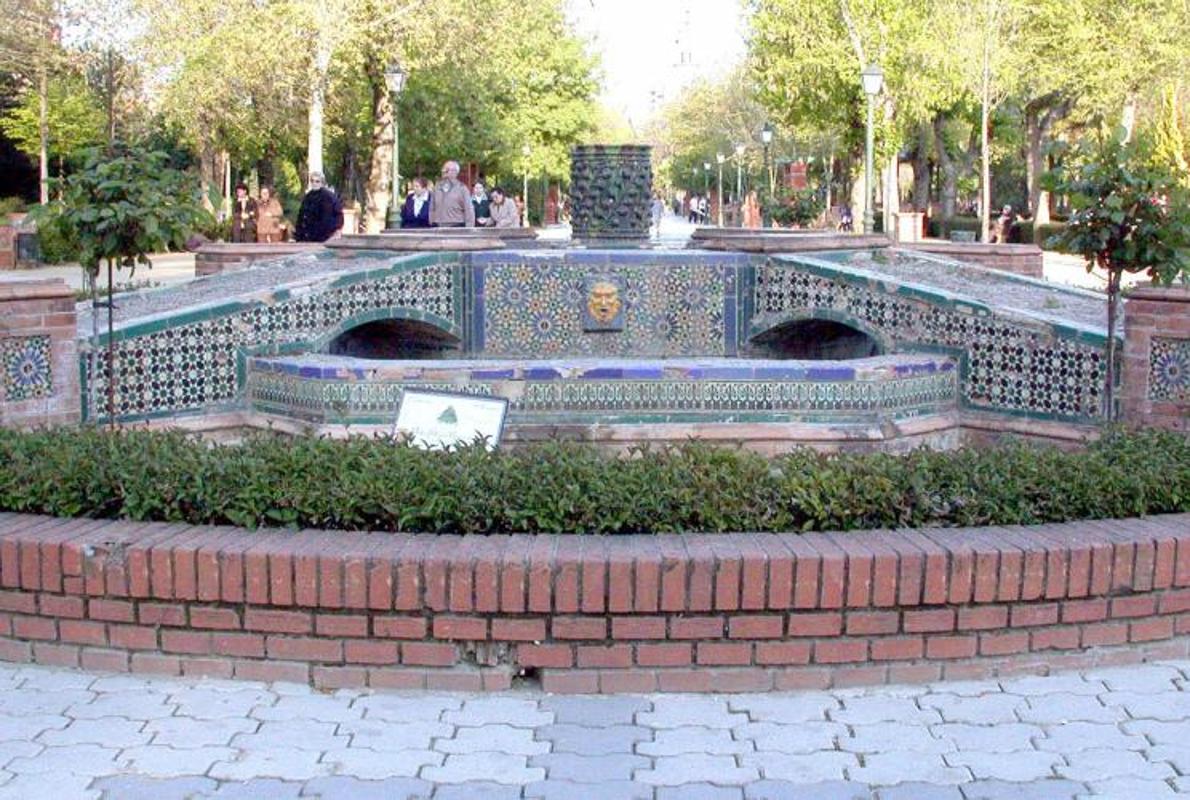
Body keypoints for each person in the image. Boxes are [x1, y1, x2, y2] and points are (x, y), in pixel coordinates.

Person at [294, 171, 344, 242]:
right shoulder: (308, 197)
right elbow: (302, 217)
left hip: (323, 237)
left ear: (322, 182)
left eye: (317, 181)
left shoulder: (328, 197)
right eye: (312, 181)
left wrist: (333, 233)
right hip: (308, 238)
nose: (314, 183)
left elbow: (333, 217)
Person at [430, 161, 475, 227]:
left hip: (456, 226)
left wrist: (469, 228)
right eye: (443, 169)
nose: (443, 171)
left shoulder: (462, 189)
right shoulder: (437, 188)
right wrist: (432, 221)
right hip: (438, 226)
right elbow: (432, 207)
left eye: (446, 169)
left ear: (455, 172)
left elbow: (469, 209)